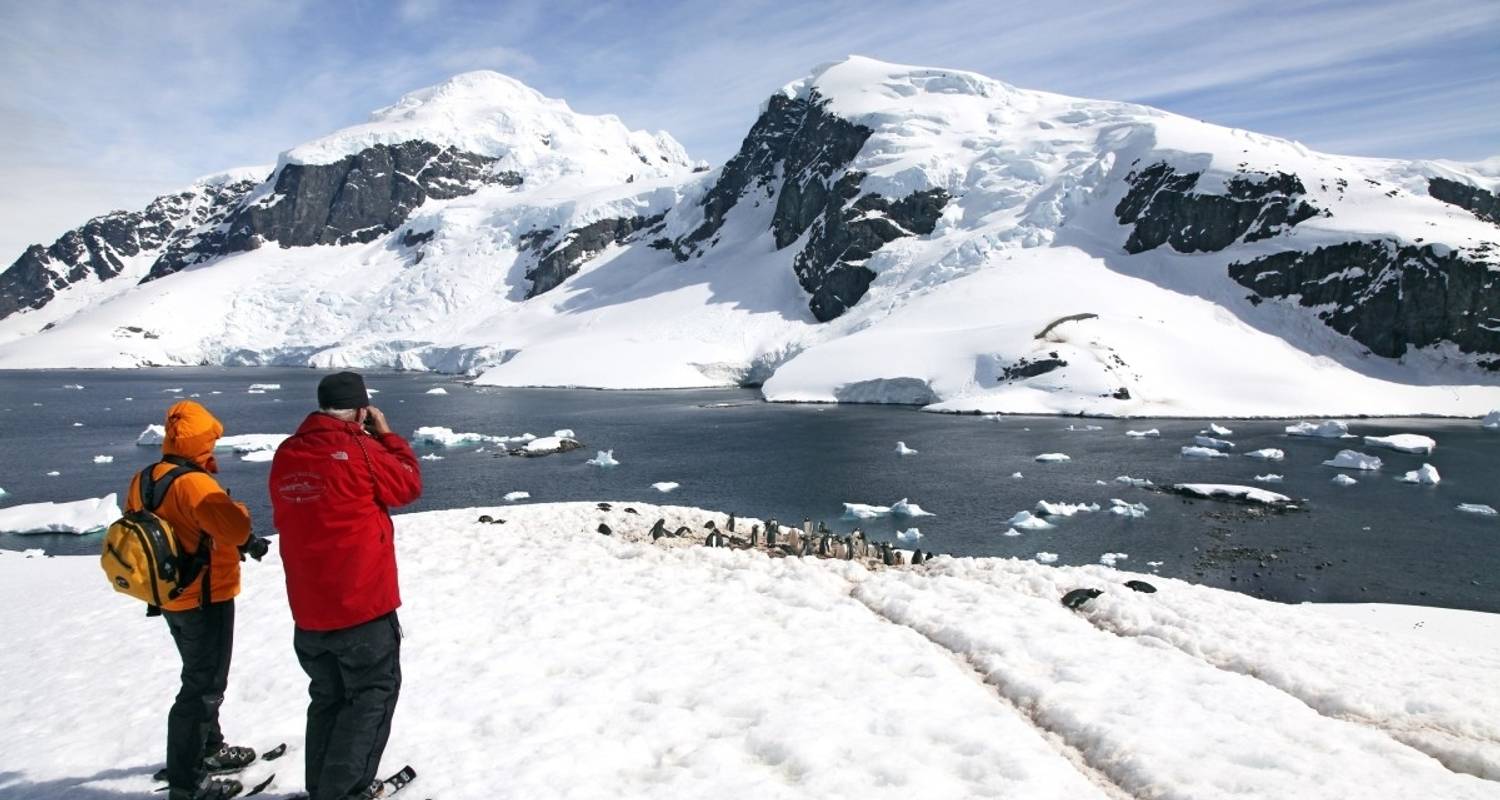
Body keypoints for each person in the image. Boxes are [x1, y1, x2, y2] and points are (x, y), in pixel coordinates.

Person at [270, 372, 423, 800]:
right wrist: (387, 437)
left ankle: (322, 788)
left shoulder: (287, 451)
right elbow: (408, 484)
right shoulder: (362, 448)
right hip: (361, 603)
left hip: (309, 608)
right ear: (361, 410)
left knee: (328, 697)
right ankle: (344, 791)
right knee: (372, 694)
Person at [127, 400, 262, 800]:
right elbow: (236, 528)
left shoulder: (145, 477)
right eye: (213, 440)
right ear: (203, 440)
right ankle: (189, 782)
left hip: (171, 597)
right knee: (202, 687)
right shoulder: (195, 483)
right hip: (207, 597)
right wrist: (235, 508)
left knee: (199, 675)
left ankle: (208, 749)